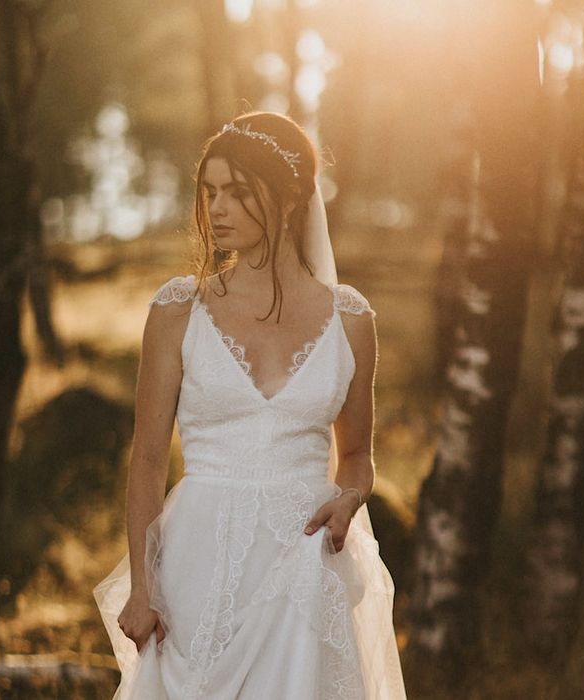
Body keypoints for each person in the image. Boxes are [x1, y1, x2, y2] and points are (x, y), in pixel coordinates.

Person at [93, 111, 407, 699]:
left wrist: (350, 497)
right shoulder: (178, 311)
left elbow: (359, 453)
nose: (217, 209)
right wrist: (142, 587)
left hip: (305, 568)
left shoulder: (352, 319)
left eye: (238, 192)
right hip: (195, 563)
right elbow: (147, 463)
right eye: (210, 192)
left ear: (289, 198)